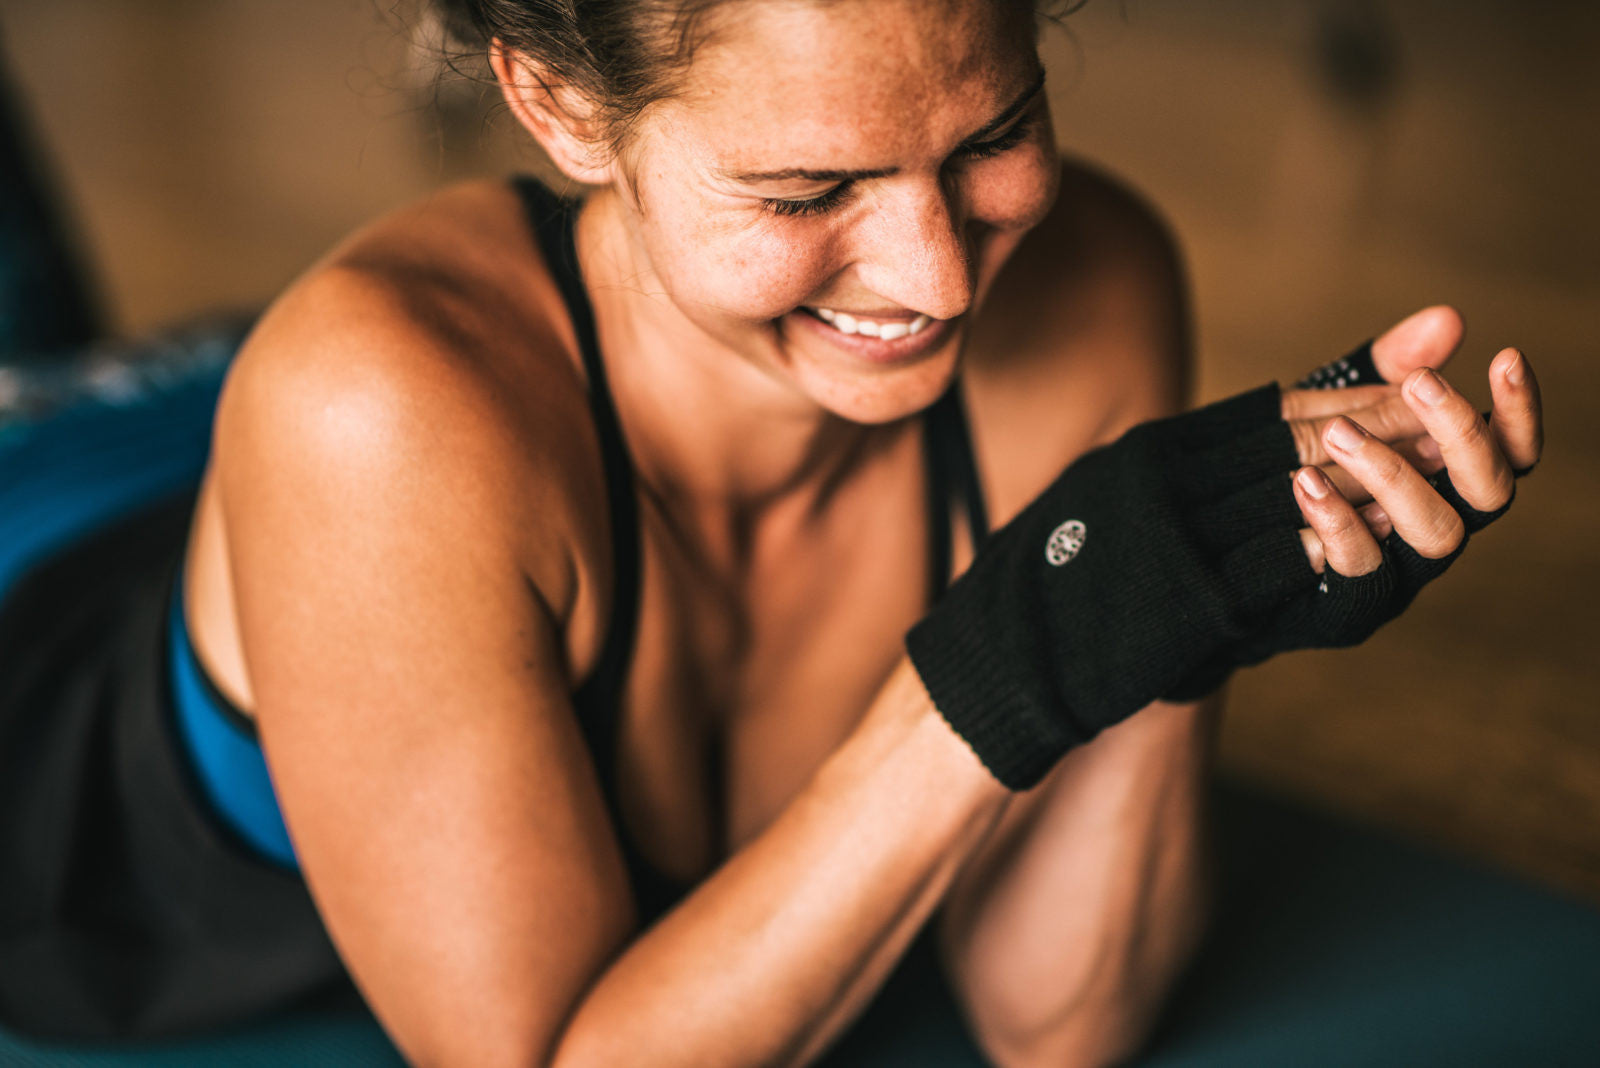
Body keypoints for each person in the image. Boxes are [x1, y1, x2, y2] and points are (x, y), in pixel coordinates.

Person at [0, 0, 1544, 1064]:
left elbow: (1056, 1026)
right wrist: (1014, 659)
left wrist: (1186, 596)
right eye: (811, 187)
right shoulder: (377, 414)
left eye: (992, 130)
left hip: (272, 447)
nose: (940, 276)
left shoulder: (1084, 278)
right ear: (559, 106)